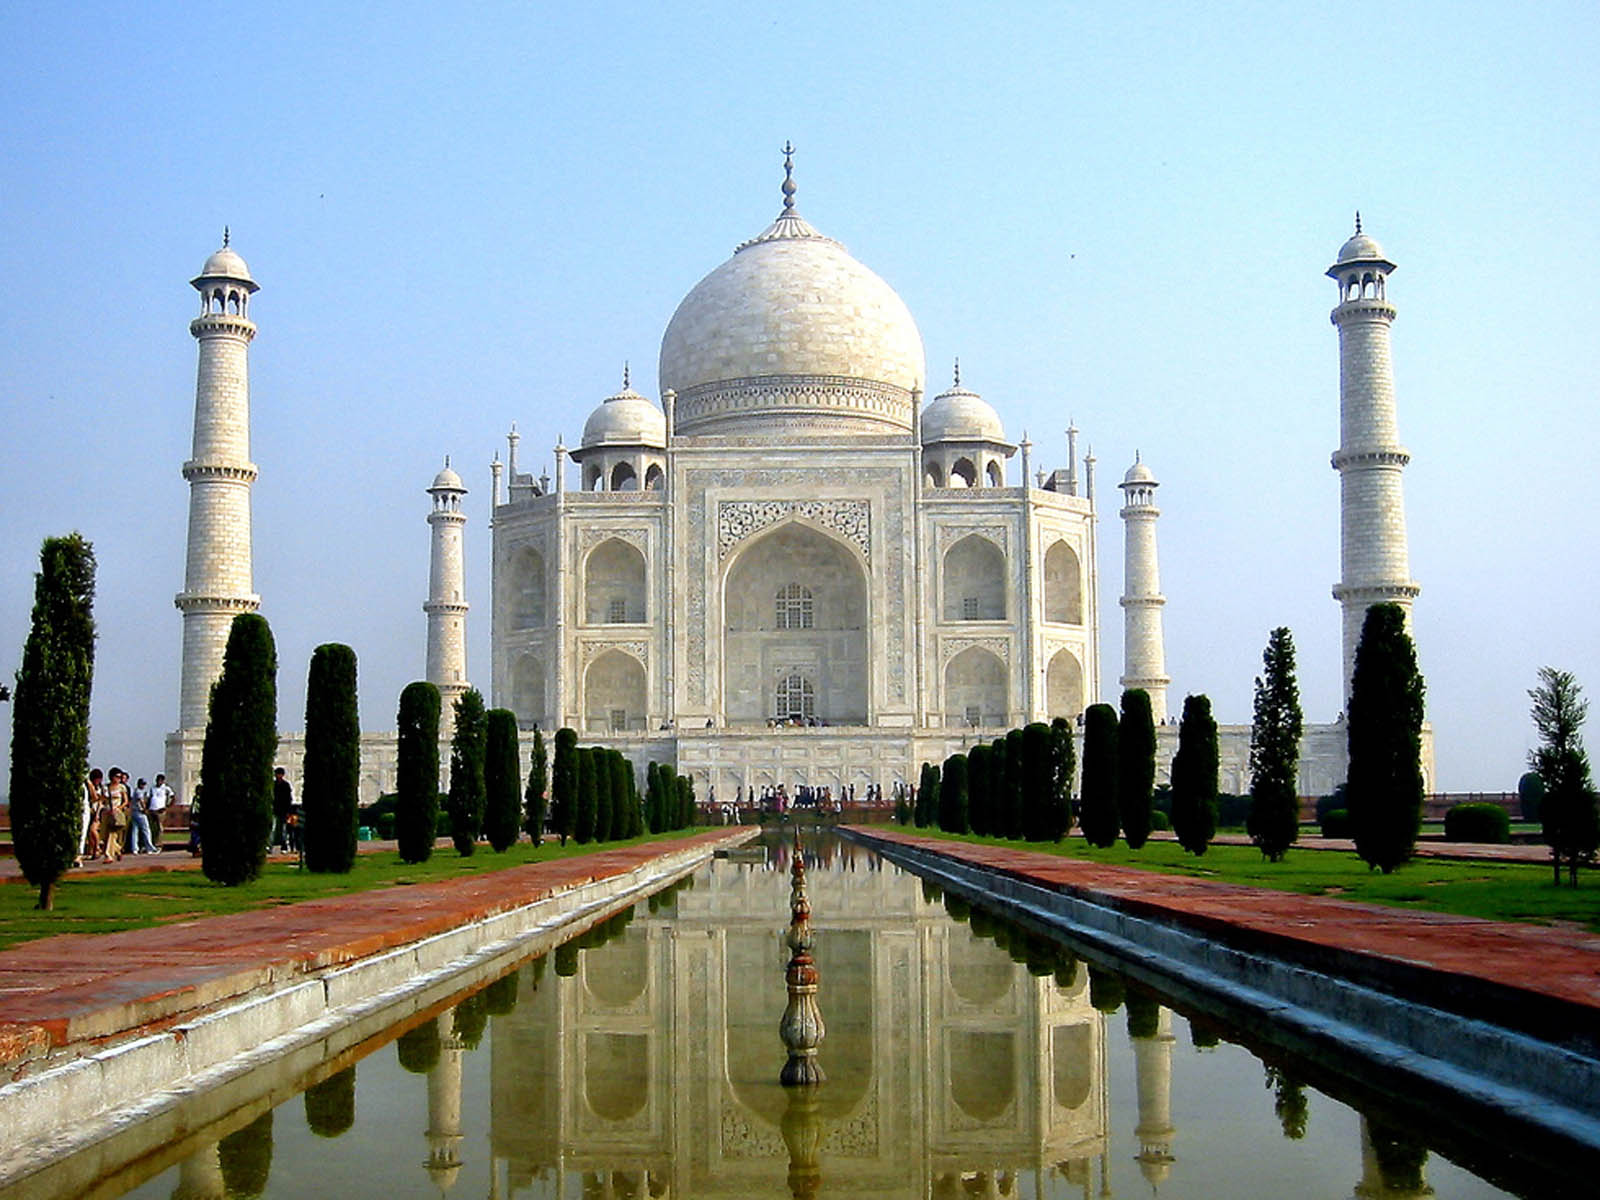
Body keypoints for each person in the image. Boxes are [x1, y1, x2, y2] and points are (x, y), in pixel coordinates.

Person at [102, 768, 131, 861]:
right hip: (106, 812)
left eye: (120, 777)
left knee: (112, 834)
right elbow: (102, 800)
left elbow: (126, 801)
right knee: (104, 836)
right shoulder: (105, 787)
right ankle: (118, 850)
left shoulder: (122, 787)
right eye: (117, 776)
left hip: (116, 813)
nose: (119, 779)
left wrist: (118, 808)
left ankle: (108, 855)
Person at [79, 768, 104, 865]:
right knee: (89, 832)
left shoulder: (99, 788)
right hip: (90, 810)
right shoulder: (87, 786)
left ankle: (97, 848)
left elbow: (99, 801)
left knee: (93, 830)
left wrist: (97, 814)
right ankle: (93, 850)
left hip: (97, 811)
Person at [129, 777, 155, 854]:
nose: (143, 786)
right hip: (139, 812)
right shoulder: (138, 792)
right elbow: (141, 801)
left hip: (134, 812)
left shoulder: (136, 791)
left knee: (135, 830)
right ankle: (149, 848)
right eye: (142, 784)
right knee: (146, 830)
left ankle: (134, 848)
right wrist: (145, 809)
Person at [147, 773, 173, 851]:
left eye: (161, 780)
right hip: (152, 809)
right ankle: (152, 843)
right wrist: (147, 808)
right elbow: (149, 798)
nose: (159, 782)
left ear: (163, 781)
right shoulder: (152, 788)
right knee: (151, 828)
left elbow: (172, 797)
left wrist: (167, 806)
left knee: (159, 827)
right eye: (158, 780)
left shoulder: (166, 788)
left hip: (160, 810)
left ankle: (158, 844)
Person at [272, 767, 293, 851]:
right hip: (275, 809)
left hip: (284, 810)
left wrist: (288, 811)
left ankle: (284, 846)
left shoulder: (285, 785)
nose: (278, 776)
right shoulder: (274, 785)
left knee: (284, 830)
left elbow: (288, 799)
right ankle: (270, 846)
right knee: (273, 828)